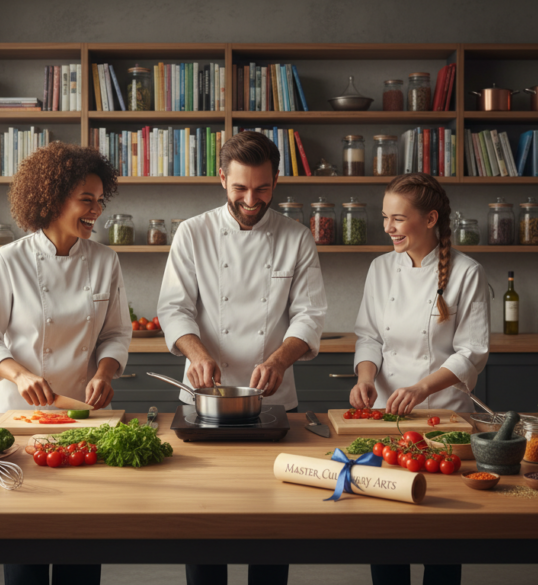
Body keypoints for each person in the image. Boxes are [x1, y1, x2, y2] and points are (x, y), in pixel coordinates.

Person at [157, 131, 327, 585]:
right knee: (205, 524)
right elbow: (174, 308)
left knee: (272, 529)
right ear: (221, 180)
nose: (252, 199)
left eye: (263, 188)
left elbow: (310, 314)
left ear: (277, 181)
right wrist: (197, 352)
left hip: (272, 400)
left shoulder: (296, 238)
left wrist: (279, 359)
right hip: (205, 400)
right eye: (240, 188)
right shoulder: (193, 233)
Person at [0, 141, 131, 585]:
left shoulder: (106, 261)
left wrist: (104, 372)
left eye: (100, 201)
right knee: (25, 542)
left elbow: (117, 333)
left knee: (81, 542)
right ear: (53, 199)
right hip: (18, 418)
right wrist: (18, 373)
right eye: (86, 201)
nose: (97, 211)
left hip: (82, 419)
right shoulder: (7, 260)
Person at [351, 173, 489, 585]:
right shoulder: (380, 268)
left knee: (441, 536)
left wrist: (421, 388)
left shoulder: (467, 272)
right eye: (384, 218)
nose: (388, 228)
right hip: (388, 416)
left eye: (398, 219)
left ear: (430, 219)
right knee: (387, 531)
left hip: (443, 419)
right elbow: (369, 336)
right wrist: (365, 377)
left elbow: (472, 352)